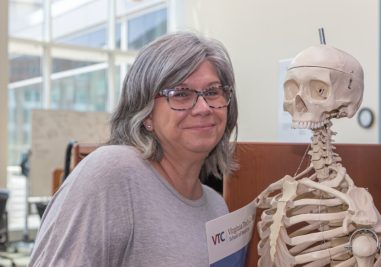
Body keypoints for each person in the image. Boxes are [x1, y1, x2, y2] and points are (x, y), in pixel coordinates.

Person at [28, 31, 238, 267]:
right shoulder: (112, 173)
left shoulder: (216, 206)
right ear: (145, 112)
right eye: (180, 94)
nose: (203, 108)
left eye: (212, 92)